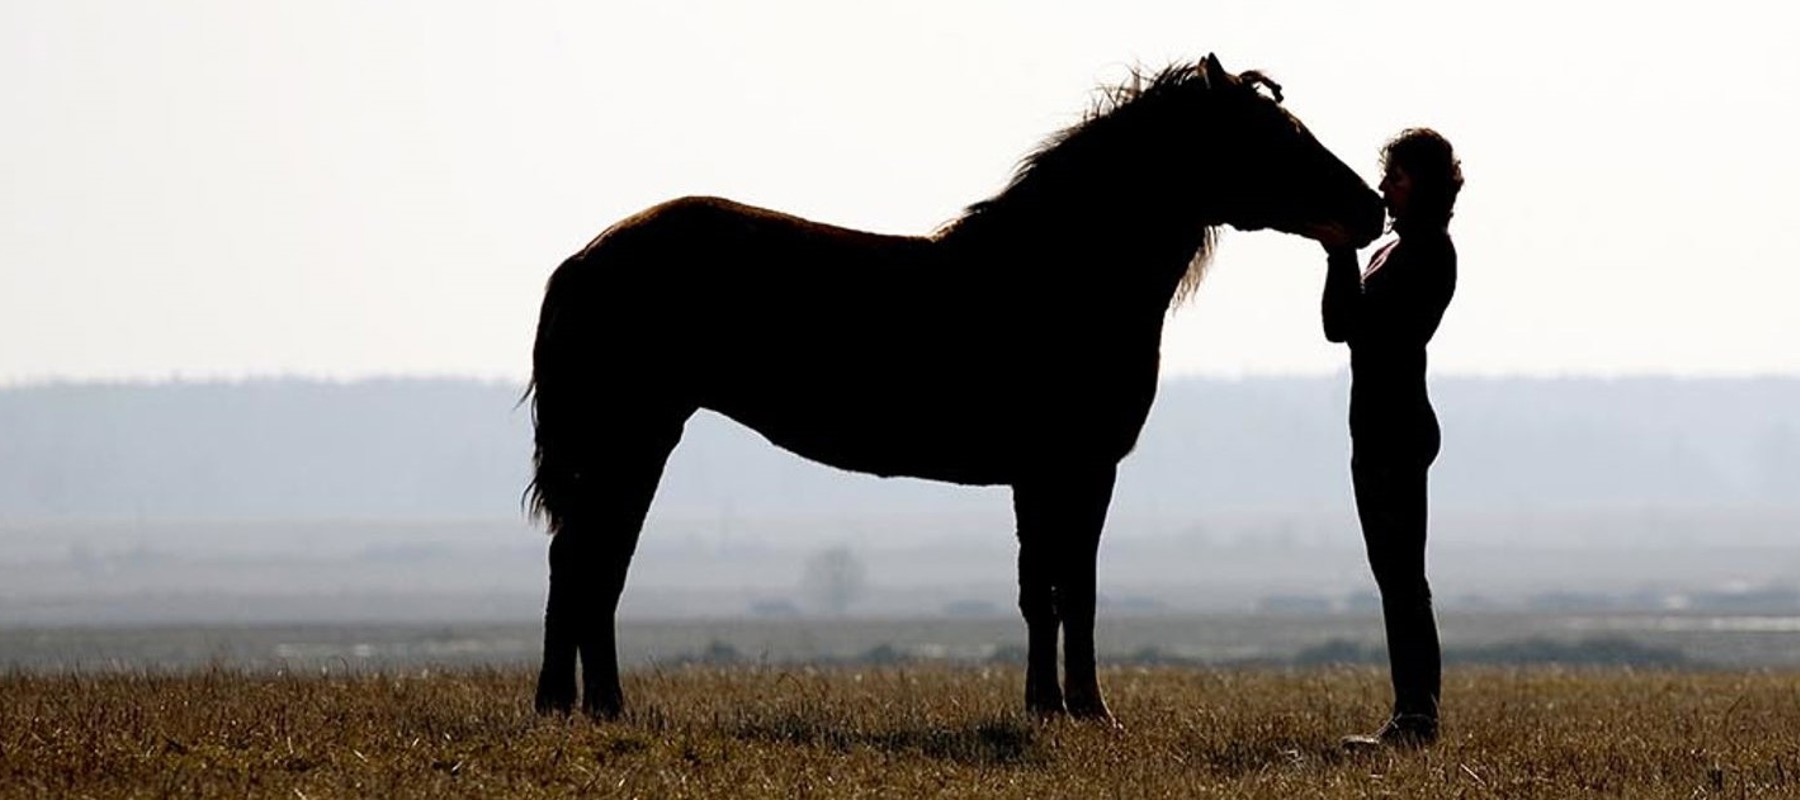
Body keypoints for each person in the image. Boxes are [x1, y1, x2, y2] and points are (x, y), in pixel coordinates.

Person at [1319, 128, 1462, 748]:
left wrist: (1340, 254)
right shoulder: (1397, 248)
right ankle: (1411, 715)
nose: (1385, 189)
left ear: (1423, 186)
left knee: (1403, 580)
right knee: (1397, 576)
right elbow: (1337, 325)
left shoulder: (1427, 251)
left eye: (1397, 179)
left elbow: (1358, 327)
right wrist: (1342, 255)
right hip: (1380, 425)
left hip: (1394, 428)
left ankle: (1416, 719)